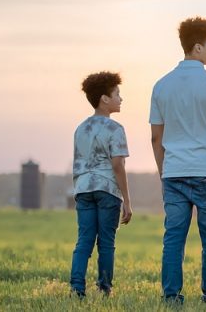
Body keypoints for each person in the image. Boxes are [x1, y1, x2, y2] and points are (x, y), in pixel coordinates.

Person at [150, 16, 206, 304]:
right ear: (197, 47)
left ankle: (171, 296)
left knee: (173, 239)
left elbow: (156, 138)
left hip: (174, 173)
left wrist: (164, 173)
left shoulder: (161, 86)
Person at [70, 71, 134, 299]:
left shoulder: (80, 128)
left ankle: (76, 288)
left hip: (84, 189)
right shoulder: (115, 128)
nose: (121, 98)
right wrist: (127, 200)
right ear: (104, 99)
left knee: (84, 240)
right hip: (107, 189)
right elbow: (118, 165)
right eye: (117, 94)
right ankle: (104, 288)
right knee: (106, 242)